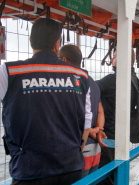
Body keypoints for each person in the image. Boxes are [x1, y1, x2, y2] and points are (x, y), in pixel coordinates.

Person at [0, 18, 92, 185]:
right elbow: (86, 125)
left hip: (28, 170)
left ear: (30, 41)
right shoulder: (81, 76)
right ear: (58, 44)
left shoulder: (9, 72)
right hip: (70, 168)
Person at [58, 44, 107, 176]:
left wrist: (89, 131)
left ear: (64, 60)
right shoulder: (92, 82)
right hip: (96, 149)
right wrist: (98, 129)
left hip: (80, 148)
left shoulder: (67, 83)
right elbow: (100, 111)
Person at [96, 49, 139, 185]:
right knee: (118, 173)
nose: (111, 60)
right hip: (122, 137)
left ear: (121, 59)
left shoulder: (112, 80)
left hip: (108, 136)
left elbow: (89, 88)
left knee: (105, 176)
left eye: (114, 56)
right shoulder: (135, 80)